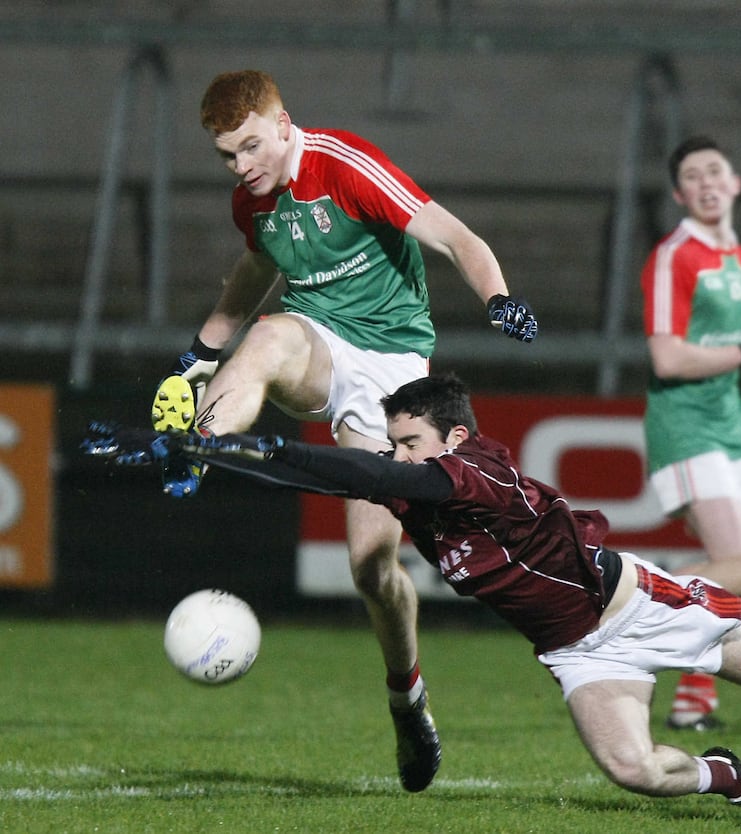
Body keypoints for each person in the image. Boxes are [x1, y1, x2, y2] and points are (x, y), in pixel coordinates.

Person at [84, 373, 741, 806]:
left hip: (641, 605)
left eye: (410, 442)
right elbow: (340, 475)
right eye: (393, 442)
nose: (398, 455)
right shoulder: (425, 487)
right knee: (634, 769)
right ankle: (730, 779)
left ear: (454, 438)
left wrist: (237, 446)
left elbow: (365, 475)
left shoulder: (474, 475)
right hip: (577, 650)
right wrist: (197, 449)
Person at [149, 69, 537, 793]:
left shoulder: (345, 166)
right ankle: (197, 452)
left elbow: (456, 236)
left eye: (251, 146)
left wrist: (500, 300)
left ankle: (407, 699)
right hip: (317, 343)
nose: (241, 166)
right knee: (265, 342)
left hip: (391, 367)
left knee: (372, 568)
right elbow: (258, 266)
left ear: (285, 122)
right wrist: (201, 354)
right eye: (227, 155)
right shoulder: (253, 200)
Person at [639, 135, 741, 730]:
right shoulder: (676, 255)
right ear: (679, 193)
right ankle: (633, 605)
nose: (706, 182)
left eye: (715, 171)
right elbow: (668, 359)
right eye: (693, 176)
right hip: (685, 424)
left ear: (736, 183)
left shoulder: (739, 256)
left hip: (729, 425)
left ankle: (692, 701)